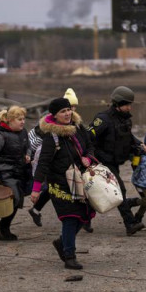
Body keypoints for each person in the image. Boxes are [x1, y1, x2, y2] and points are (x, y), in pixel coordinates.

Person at [31, 97, 95, 270]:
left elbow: (89, 145)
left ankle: (62, 242)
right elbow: (43, 163)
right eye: (63, 111)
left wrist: (87, 157)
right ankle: (69, 255)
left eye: (68, 110)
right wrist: (36, 189)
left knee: (86, 213)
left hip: (80, 180)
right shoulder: (51, 137)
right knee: (70, 217)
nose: (67, 114)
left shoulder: (78, 127)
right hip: (59, 183)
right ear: (54, 115)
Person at [88, 86, 145, 236]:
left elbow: (128, 137)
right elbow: (89, 137)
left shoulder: (124, 119)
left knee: (100, 192)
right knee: (119, 189)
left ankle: (84, 219)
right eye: (126, 104)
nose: (129, 107)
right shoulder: (103, 119)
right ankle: (130, 223)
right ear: (118, 103)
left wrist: (139, 144)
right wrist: (90, 157)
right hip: (102, 162)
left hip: (114, 161)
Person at [27, 88, 83, 229]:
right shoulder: (50, 129)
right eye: (67, 109)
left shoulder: (75, 124)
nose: (71, 111)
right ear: (57, 113)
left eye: (72, 108)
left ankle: (35, 209)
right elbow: (43, 159)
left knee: (51, 190)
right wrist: (35, 187)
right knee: (51, 189)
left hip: (67, 169)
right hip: (50, 163)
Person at [0, 105, 31, 241]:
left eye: (23, 119)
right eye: (19, 119)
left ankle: (3, 229)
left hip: (20, 171)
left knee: (18, 199)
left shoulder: (23, 132)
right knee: (15, 199)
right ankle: (3, 229)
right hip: (5, 172)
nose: (22, 122)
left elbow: (28, 146)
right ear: (10, 120)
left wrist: (28, 155)